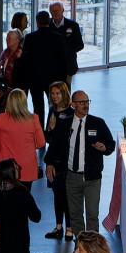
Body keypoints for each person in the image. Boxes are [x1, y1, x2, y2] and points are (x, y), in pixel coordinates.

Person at [43, 92, 115, 235]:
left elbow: (110, 144)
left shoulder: (98, 123)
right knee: (75, 215)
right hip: (71, 177)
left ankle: (93, 251)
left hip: (92, 178)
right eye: (81, 102)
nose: (85, 105)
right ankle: (80, 249)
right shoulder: (64, 123)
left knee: (92, 215)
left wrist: (105, 148)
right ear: (73, 104)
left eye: (87, 101)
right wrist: (49, 163)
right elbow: (54, 145)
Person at [0, 89, 46, 189]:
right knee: (23, 199)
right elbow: (41, 143)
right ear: (24, 102)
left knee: (7, 201)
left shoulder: (1, 118)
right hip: (27, 167)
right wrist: (29, 145)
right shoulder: (33, 118)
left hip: (7, 168)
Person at [42, 81, 74, 240]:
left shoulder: (70, 113)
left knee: (67, 195)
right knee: (57, 195)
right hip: (53, 159)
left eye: (58, 93)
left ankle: (70, 228)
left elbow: (63, 141)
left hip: (65, 160)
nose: (55, 97)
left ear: (64, 94)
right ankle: (59, 226)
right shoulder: (52, 111)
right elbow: (49, 138)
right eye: (52, 94)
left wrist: (51, 162)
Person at [21, 11, 67, 117]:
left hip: (35, 79)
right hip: (53, 79)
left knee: (38, 107)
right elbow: (62, 60)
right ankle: (53, 129)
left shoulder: (30, 38)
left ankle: (40, 131)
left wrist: (27, 78)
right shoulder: (57, 37)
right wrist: (62, 80)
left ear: (37, 22)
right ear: (49, 21)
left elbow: (25, 60)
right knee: (55, 105)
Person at [48, 2, 84, 84]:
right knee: (52, 91)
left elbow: (80, 45)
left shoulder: (73, 25)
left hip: (67, 66)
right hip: (51, 66)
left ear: (63, 10)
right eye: (53, 11)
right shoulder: (47, 25)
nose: (55, 13)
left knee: (65, 91)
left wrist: (67, 50)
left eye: (57, 10)